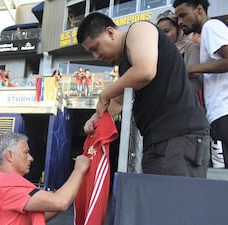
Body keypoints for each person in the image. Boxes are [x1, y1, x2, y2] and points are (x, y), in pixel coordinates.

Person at [77, 12, 210, 177]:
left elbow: (145, 71)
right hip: (160, 142)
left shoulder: (140, 29)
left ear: (110, 32)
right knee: (160, 201)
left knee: (174, 201)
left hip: (177, 137)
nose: (96, 56)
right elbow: (118, 103)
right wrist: (95, 119)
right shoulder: (126, 66)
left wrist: (105, 93)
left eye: (96, 48)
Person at [174, 0, 228, 170]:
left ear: (199, 9)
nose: (180, 22)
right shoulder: (208, 32)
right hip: (227, 109)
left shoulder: (211, 26)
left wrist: (190, 69)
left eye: (183, 15)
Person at [0, 132, 90, 225]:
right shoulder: (7, 187)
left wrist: (71, 190)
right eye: (26, 153)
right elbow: (60, 202)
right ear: (10, 155)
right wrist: (79, 170)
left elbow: (36, 216)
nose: (31, 158)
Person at [156, 9, 203, 106]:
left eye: (166, 31)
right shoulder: (158, 55)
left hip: (188, 107)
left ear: (178, 30)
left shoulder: (191, 48)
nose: (163, 37)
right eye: (160, 33)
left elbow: (195, 75)